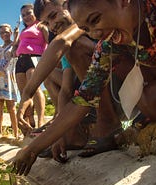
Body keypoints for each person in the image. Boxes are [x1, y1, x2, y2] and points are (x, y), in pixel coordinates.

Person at [14, 0, 156, 175]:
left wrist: (28, 93)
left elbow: (62, 42)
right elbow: (83, 99)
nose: (95, 34)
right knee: (152, 101)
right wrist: (32, 149)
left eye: (95, 20)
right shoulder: (108, 44)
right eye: (86, 29)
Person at [17, 0, 96, 161]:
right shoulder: (67, 44)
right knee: (53, 74)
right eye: (47, 23)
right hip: (93, 91)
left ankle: (105, 122)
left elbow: (61, 42)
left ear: (67, 6)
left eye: (53, 16)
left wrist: (27, 93)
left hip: (116, 86)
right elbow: (66, 89)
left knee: (75, 47)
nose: (52, 25)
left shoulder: (82, 26)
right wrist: (59, 133)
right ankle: (72, 135)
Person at [13, 3, 48, 132]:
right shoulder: (23, 30)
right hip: (20, 60)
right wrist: (14, 48)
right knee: (24, 94)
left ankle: (40, 121)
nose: (26, 16)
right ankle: (29, 121)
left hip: (34, 58)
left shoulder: (41, 25)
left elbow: (50, 43)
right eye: (23, 15)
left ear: (35, 12)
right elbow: (15, 45)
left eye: (29, 13)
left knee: (35, 89)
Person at [0, 23, 19, 138]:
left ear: (11, 32)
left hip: (9, 75)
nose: (4, 34)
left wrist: (16, 36)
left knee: (10, 104)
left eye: (6, 32)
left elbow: (14, 52)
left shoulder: (14, 43)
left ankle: (16, 133)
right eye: (2, 32)